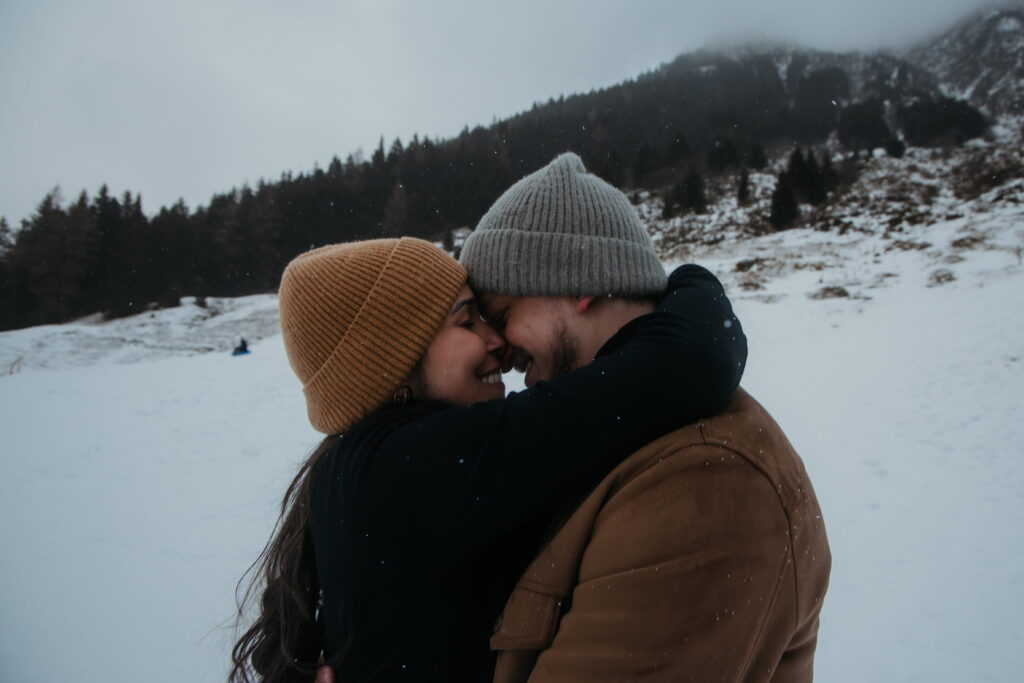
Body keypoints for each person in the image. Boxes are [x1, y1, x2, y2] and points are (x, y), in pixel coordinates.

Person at [231, 233, 747, 682]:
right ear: (395, 357)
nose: (497, 340)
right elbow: (690, 361)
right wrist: (691, 280)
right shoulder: (415, 464)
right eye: (466, 320)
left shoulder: (361, 467)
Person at [456, 153, 831, 682]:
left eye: (500, 313)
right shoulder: (608, 435)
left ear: (576, 281)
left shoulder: (705, 478)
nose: (495, 346)